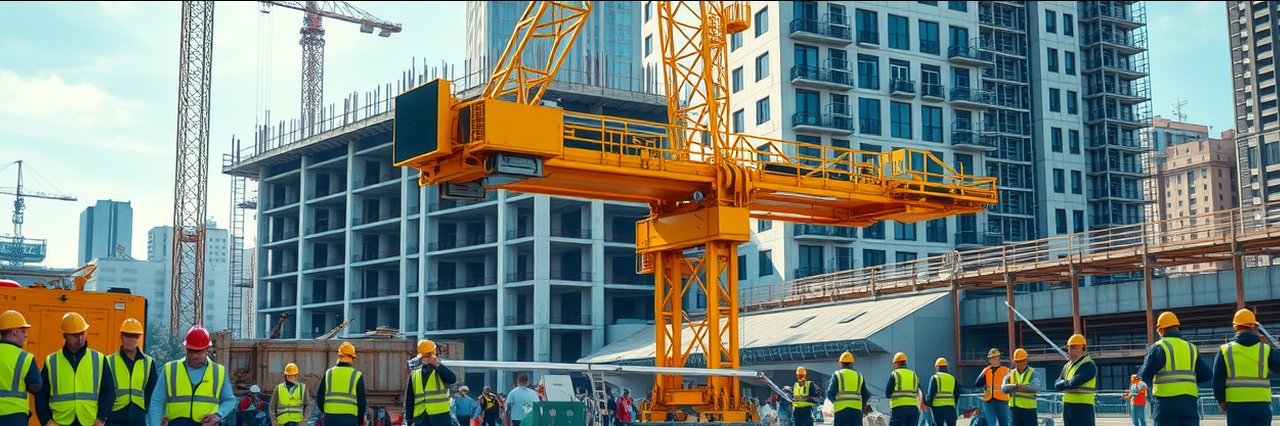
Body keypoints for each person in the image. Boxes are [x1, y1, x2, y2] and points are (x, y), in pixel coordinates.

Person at [147, 326, 238, 426]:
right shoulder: (170, 369)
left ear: (207, 349)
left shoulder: (219, 371)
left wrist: (218, 414)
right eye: (191, 351)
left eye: (199, 351)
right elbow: (157, 402)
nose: (195, 356)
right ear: (186, 349)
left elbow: (230, 400)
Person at [36, 312, 115, 426]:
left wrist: (101, 418)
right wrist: (47, 421)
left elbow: (109, 391)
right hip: (60, 421)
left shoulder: (98, 359)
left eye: (82, 333)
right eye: (75, 335)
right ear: (64, 335)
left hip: (90, 422)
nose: (80, 338)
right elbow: (41, 395)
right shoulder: (51, 361)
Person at [1137, 312, 1211, 426]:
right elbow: (1207, 374)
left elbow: (1145, 374)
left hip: (1166, 403)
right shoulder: (1191, 348)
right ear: (1177, 327)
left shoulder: (1160, 347)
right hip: (1189, 403)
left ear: (1161, 330)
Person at [1212, 308, 1280, 426]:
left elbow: (1217, 381)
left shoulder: (1225, 350)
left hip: (1236, 406)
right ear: (1254, 327)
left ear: (1235, 327)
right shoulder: (1265, 349)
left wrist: (1221, 401)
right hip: (1261, 405)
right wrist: (1272, 346)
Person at [105, 317, 155, 426]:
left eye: (134, 336)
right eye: (127, 336)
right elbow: (104, 390)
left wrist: (145, 409)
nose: (131, 340)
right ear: (121, 337)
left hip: (138, 416)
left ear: (138, 338)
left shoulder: (149, 362)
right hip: (115, 416)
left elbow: (152, 391)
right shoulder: (109, 361)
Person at [0, 310, 41, 426]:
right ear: (14, 332)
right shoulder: (25, 358)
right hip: (15, 416)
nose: (26, 335)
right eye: (23, 331)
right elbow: (36, 387)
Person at [405, 339, 457, 426]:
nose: (427, 358)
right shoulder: (415, 372)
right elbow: (410, 398)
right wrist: (409, 418)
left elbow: (452, 379)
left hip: (440, 417)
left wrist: (437, 365)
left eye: (428, 355)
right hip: (421, 418)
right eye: (425, 356)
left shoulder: (441, 369)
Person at [316, 342, 367, 426]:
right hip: (349, 419)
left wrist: (326, 412)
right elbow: (361, 402)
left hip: (330, 418)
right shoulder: (357, 375)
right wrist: (360, 420)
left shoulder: (329, 373)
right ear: (352, 358)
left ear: (339, 356)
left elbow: (319, 398)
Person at [1055, 334, 1096, 426]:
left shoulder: (1088, 365)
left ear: (1083, 348)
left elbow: (1074, 383)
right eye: (1069, 348)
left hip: (1083, 408)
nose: (1070, 351)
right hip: (1067, 407)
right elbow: (1057, 385)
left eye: (1073, 347)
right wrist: (1066, 383)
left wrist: (1064, 383)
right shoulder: (1067, 366)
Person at [825, 352, 869, 426]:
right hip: (856, 412)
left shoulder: (837, 374)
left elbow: (829, 393)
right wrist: (861, 407)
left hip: (841, 412)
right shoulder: (859, 376)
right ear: (852, 363)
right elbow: (866, 395)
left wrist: (835, 404)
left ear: (841, 363)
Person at [999, 349, 1039, 426]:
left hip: (1029, 410)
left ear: (1026, 360)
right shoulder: (1010, 373)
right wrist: (1015, 386)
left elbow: (1035, 387)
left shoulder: (1033, 373)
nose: (1020, 364)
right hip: (1014, 410)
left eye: (1021, 361)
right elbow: (1003, 388)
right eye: (1017, 362)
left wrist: (1019, 387)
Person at [972, 349, 1010, 426]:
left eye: (995, 357)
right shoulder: (986, 370)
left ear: (999, 358)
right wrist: (984, 372)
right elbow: (977, 383)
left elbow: (1012, 385)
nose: (993, 359)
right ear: (989, 360)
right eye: (991, 358)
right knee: (990, 423)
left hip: (1002, 400)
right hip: (989, 401)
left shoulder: (1006, 370)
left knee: (1005, 423)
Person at [884, 352, 918, 426]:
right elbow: (917, 391)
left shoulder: (895, 374)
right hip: (913, 408)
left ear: (896, 363)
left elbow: (888, 393)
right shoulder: (913, 374)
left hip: (899, 408)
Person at [926, 358, 957, 426]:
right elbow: (957, 392)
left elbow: (930, 394)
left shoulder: (935, 378)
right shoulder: (952, 378)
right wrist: (954, 403)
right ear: (946, 367)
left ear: (937, 367)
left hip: (938, 408)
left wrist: (929, 404)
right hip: (950, 407)